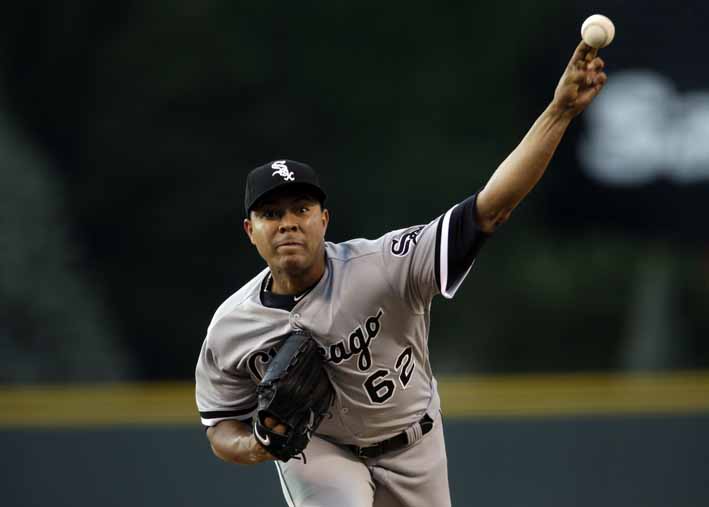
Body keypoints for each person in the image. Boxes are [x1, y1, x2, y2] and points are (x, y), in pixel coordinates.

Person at [195, 41, 607, 507]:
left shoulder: (383, 266)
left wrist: (558, 112)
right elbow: (219, 426)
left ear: (323, 220)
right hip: (319, 450)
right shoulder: (232, 327)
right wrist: (258, 444)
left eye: (301, 208)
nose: (288, 222)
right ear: (251, 230)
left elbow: (491, 209)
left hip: (414, 441)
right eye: (271, 213)